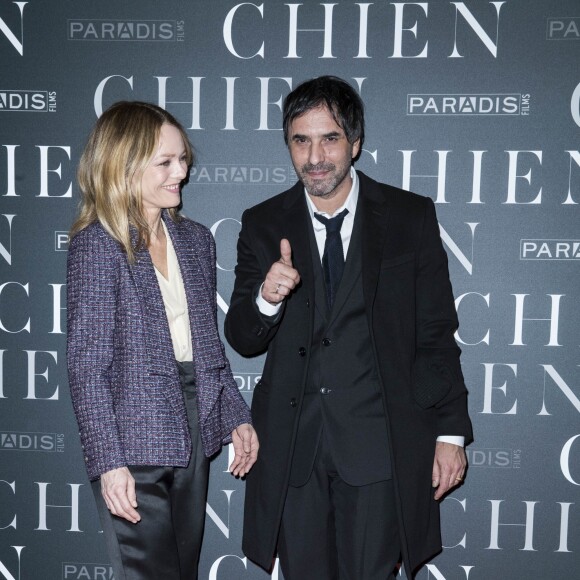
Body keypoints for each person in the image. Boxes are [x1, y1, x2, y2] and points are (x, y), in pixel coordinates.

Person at [224, 76, 472, 579]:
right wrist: (267, 298)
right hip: (294, 448)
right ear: (288, 145)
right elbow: (243, 339)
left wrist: (450, 433)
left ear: (355, 143)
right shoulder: (263, 222)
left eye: (329, 138)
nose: (315, 156)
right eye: (301, 140)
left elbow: (436, 333)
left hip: (378, 445)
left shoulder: (409, 217)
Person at [66, 101, 258, 580]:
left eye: (183, 159)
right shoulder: (98, 242)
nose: (182, 172)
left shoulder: (195, 240)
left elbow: (206, 345)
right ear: (125, 165)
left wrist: (235, 414)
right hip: (131, 442)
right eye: (166, 162)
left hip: (192, 426)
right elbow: (87, 365)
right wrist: (108, 463)